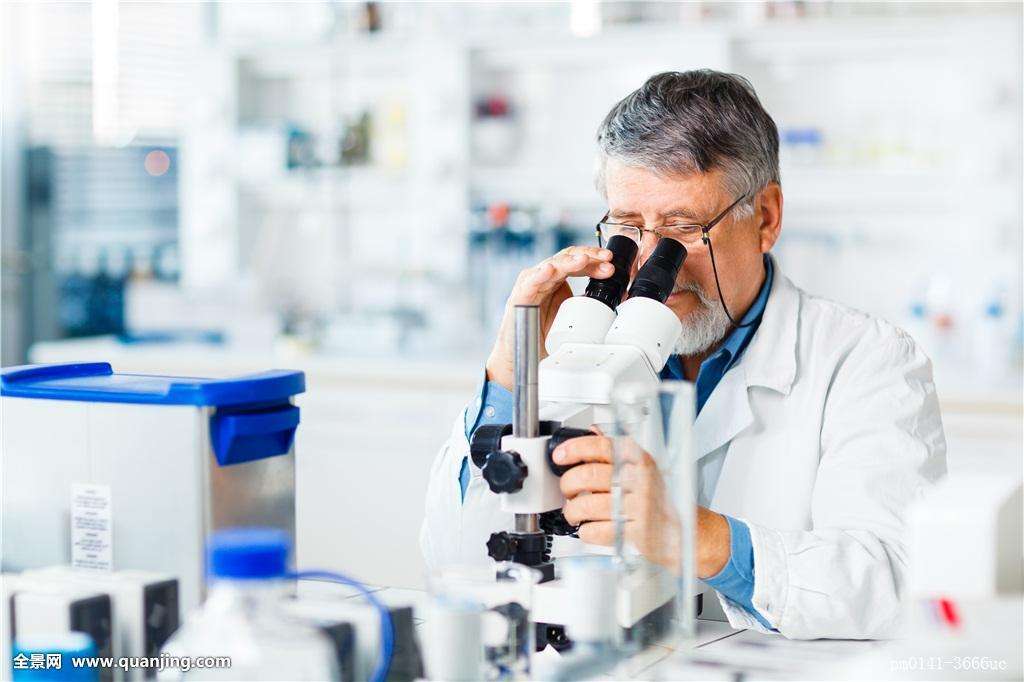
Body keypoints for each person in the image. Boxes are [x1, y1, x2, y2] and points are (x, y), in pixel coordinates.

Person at [420, 70, 947, 640]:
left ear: (766, 218)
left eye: (683, 230)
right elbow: (454, 559)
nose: (652, 263)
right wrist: (511, 371)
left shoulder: (866, 361)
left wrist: (690, 535)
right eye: (627, 228)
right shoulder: (579, 357)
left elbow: (896, 586)